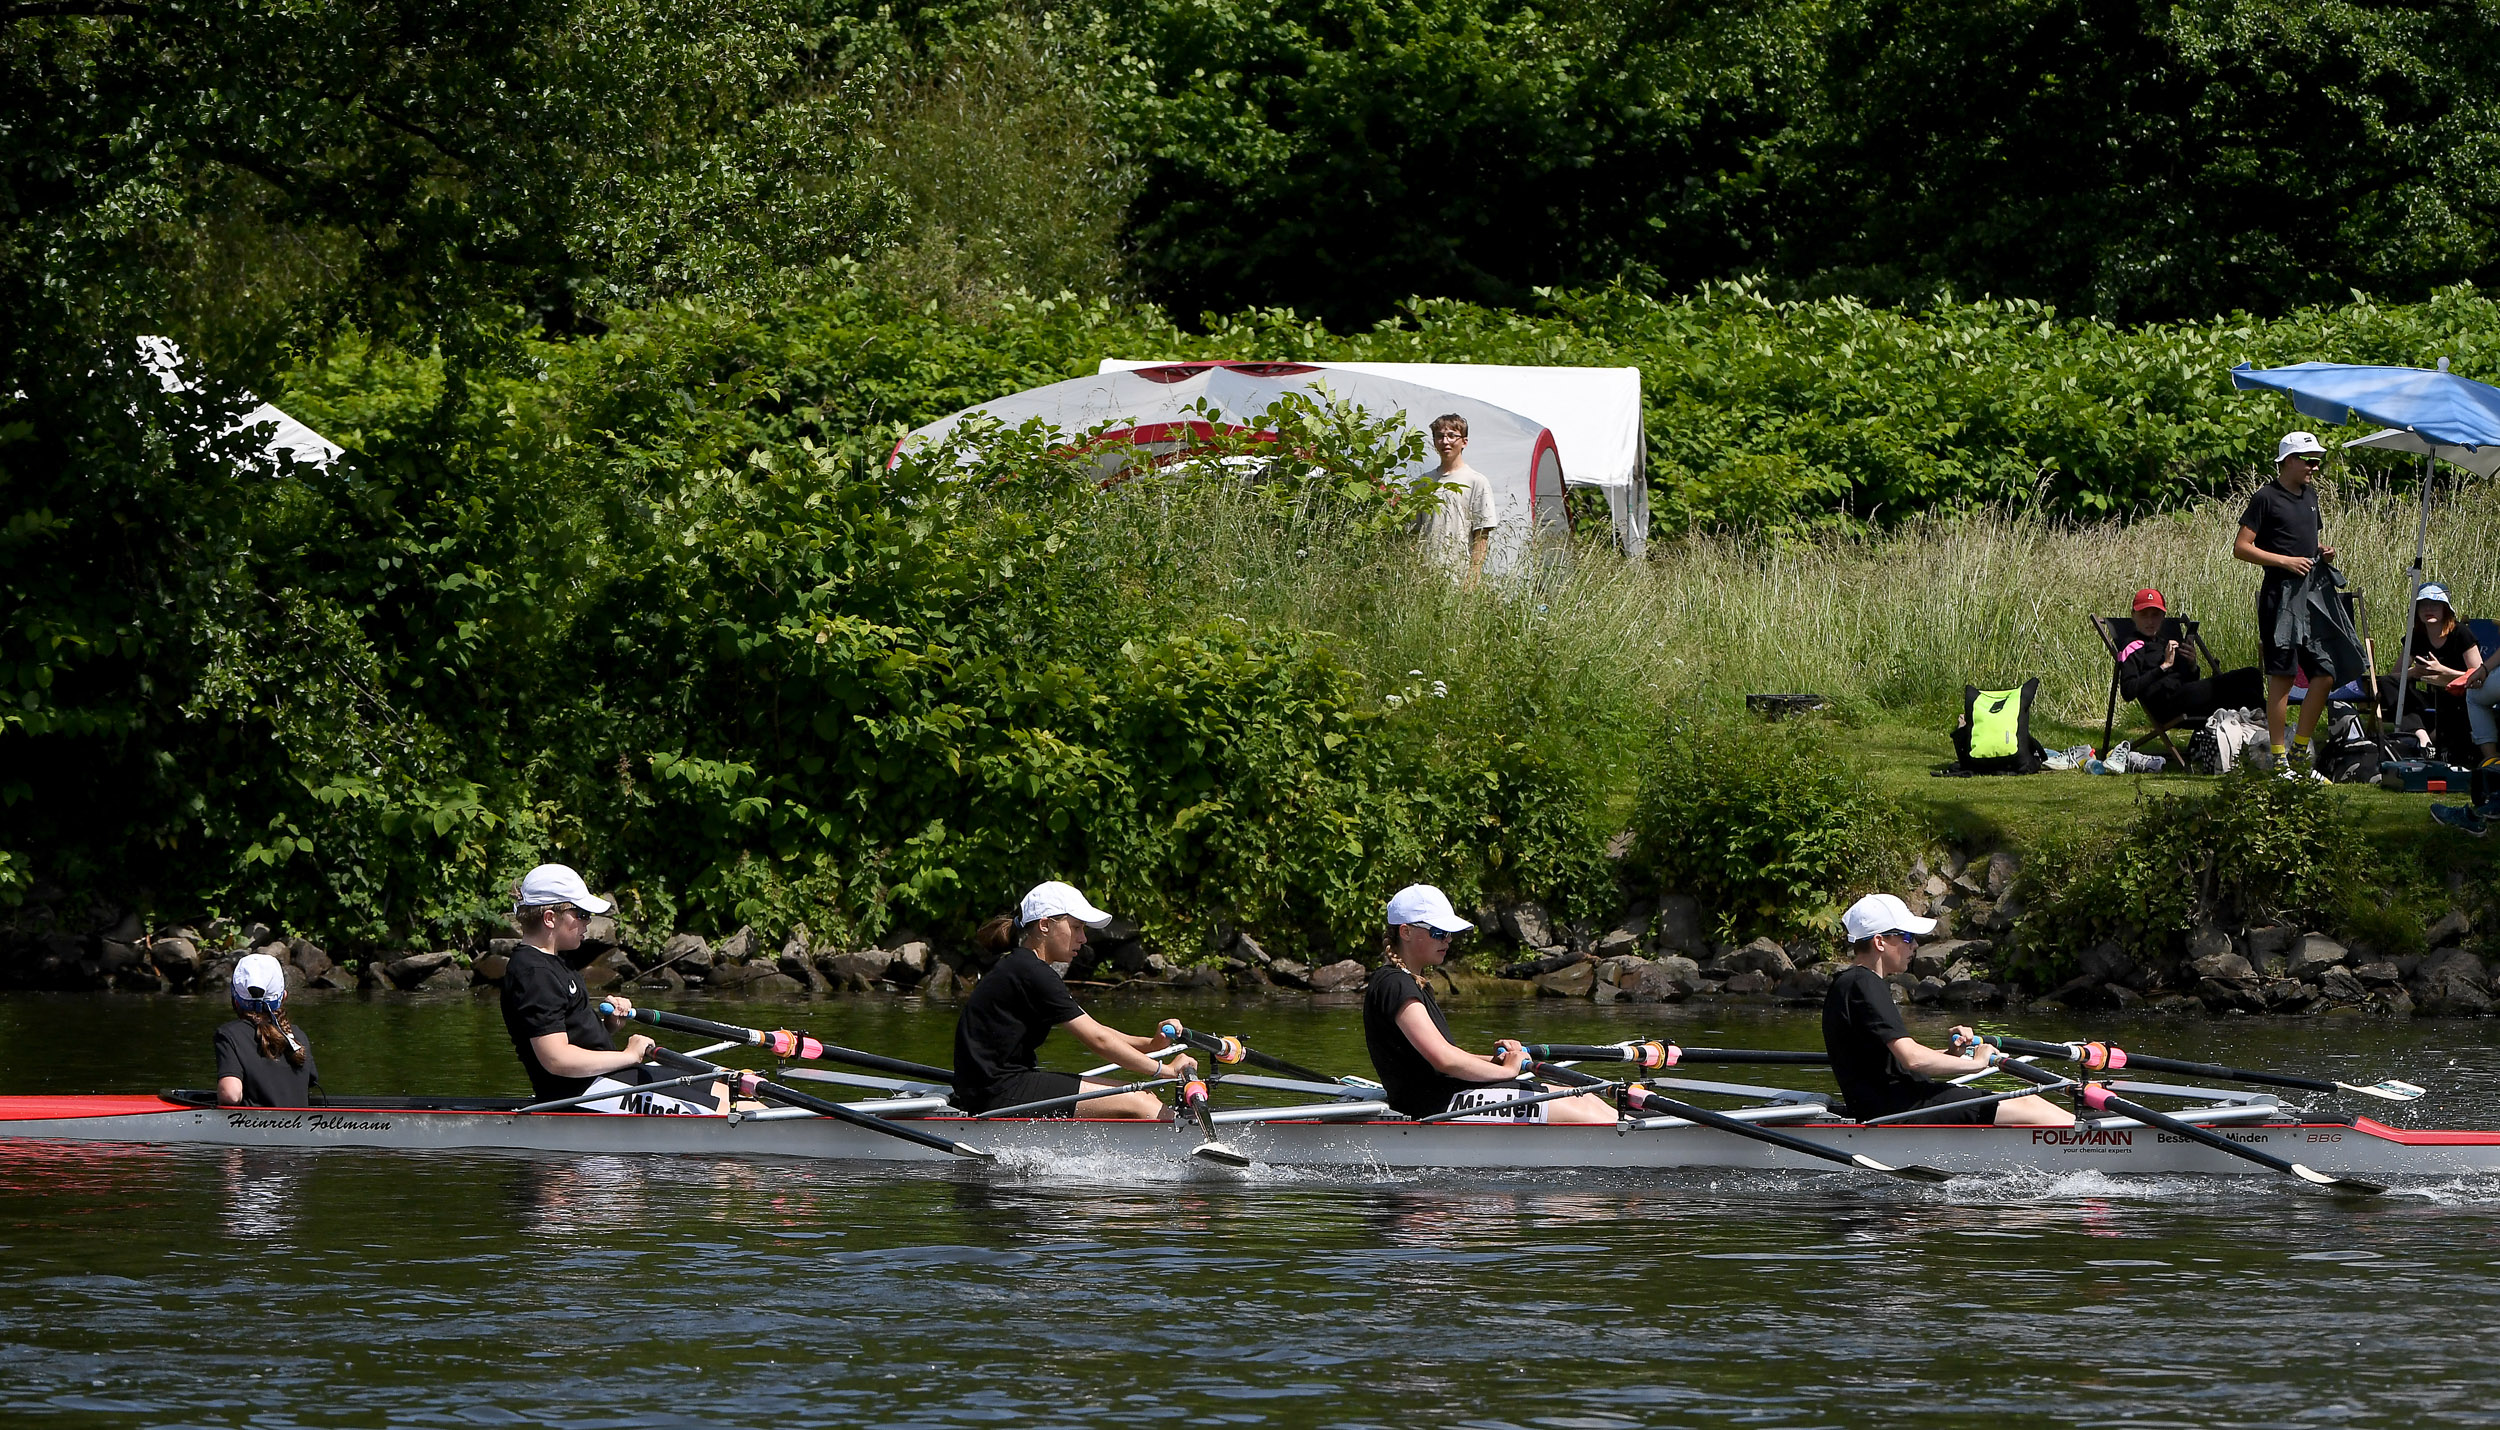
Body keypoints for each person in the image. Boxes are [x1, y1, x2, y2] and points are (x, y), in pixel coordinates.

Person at [1362, 884, 1614, 1123]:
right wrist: (1507, 1072)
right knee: (1581, 1109)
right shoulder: (1394, 985)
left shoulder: (1414, 982)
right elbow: (1444, 1060)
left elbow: (1445, 1057)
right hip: (1433, 1105)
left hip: (1449, 1093)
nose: (1447, 940)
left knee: (1584, 1097)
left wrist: (1496, 1061)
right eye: (1438, 932)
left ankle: (1637, 1130)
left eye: (1449, 933)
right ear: (1405, 931)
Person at [1822, 894, 2073, 1127]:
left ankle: (2092, 1136)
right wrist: (1976, 1064)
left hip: (1894, 1103)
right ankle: (2099, 1141)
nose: (1915, 945)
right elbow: (1913, 1059)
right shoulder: (1863, 984)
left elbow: (1890, 1064)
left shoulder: (1849, 983)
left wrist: (1952, 1054)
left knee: (2024, 1104)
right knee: (2029, 1105)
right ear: (1879, 941)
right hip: (1902, 1108)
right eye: (1907, 937)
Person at [950, 881, 1195, 1118]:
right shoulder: (1031, 972)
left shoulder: (1025, 966)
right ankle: (1182, 1145)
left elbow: (1099, 1030)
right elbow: (1099, 1041)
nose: (1083, 938)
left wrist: (1151, 1045)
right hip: (997, 1093)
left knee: (1142, 1096)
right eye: (1076, 927)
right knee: (1140, 1101)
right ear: (1045, 925)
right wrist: (1165, 1071)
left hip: (998, 1085)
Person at [500, 862, 721, 1113]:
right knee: (726, 1105)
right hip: (577, 1093)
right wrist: (628, 1055)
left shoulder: (554, 962)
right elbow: (556, 1059)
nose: (588, 922)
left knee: (723, 1087)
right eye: (581, 914)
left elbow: (571, 1036)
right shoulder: (534, 974)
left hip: (599, 1080)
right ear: (550, 918)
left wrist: (607, 1027)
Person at [2233, 433, 2338, 777]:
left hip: (2311, 596)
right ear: (2289, 460)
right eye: (2308, 459)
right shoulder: (2265, 497)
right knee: (2283, 675)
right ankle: (2279, 761)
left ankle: (2297, 755)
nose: (2314, 466)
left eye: (2316, 459)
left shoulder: (2310, 495)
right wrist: (2284, 561)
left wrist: (2321, 551)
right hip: (2279, 597)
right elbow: (2242, 547)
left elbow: (2309, 537)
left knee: (2324, 674)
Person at [2116, 587, 2263, 726]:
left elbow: (2189, 680)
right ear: (2133, 615)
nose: (2150, 621)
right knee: (2232, 686)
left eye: (2155, 615)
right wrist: (2164, 666)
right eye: (2144, 615)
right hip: (2165, 705)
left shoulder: (2164, 642)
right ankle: (2275, 730)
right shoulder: (2132, 646)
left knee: (2252, 676)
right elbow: (2128, 691)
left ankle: (2268, 730)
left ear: (2163, 617)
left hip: (2185, 696)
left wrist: (2192, 665)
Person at [215, 952, 318, 1107]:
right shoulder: (298, 1036)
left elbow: (231, 1094)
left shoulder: (229, 1035)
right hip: (299, 1128)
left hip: (253, 1129)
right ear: (283, 997)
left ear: (235, 1000)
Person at [2403, 584, 2485, 764]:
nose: (2428, 610)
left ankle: (2431, 739)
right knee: (2390, 686)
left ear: (2445, 609)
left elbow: (2479, 675)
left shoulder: (2460, 633)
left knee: (2449, 697)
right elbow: (2396, 675)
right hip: (2432, 694)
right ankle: (2424, 738)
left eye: (2434, 605)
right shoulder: (2416, 635)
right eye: (2423, 605)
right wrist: (2414, 672)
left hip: (2461, 692)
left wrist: (2443, 671)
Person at [1415, 413, 1497, 588]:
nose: (1445, 441)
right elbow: (1414, 533)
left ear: (1464, 442)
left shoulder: (1476, 481)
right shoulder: (1423, 482)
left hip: (1459, 576)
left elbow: (1481, 535)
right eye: (1440, 436)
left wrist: (1472, 578)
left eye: (1452, 436)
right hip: (1424, 577)